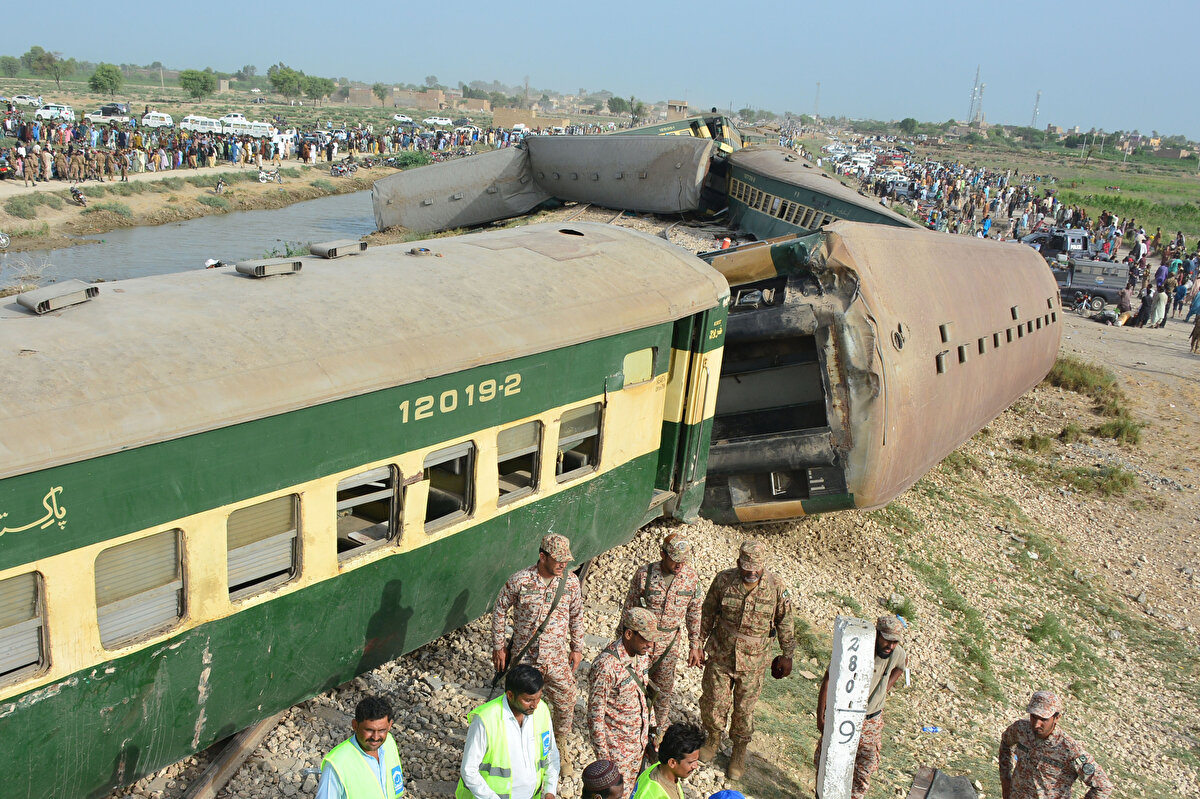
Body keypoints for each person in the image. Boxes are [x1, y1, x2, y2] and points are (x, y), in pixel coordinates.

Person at [697, 540, 795, 779]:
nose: (751, 572)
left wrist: (787, 654)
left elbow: (785, 621)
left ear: (763, 565)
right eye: (746, 566)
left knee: (744, 711)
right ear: (738, 563)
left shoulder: (776, 586)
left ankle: (738, 752)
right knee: (713, 702)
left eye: (756, 568)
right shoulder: (723, 580)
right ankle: (712, 739)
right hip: (721, 654)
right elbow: (707, 613)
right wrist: (697, 644)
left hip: (754, 662)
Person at [492, 534, 584, 777]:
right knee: (519, 703)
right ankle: (515, 746)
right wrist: (499, 646)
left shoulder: (571, 583)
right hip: (526, 658)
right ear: (542, 556)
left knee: (566, 698)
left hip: (555, 658)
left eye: (566, 560)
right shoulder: (520, 581)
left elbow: (576, 615)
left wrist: (577, 647)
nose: (563, 565)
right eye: (558, 560)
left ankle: (560, 744)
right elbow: (500, 608)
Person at [814, 616, 907, 799]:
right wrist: (821, 716)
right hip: (844, 717)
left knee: (864, 770)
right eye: (887, 640)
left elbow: (901, 666)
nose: (890, 646)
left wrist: (884, 689)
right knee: (828, 762)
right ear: (876, 635)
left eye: (895, 642)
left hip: (871, 721)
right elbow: (828, 679)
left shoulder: (896, 653)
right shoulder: (855, 650)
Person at [621, 533, 703, 731]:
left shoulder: (690, 578)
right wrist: (622, 643)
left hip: (670, 643)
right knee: (634, 681)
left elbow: (694, 612)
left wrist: (695, 645)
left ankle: (659, 725)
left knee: (664, 687)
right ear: (663, 554)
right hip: (643, 640)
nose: (679, 565)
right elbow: (629, 608)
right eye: (675, 560)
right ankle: (633, 720)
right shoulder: (645, 574)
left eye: (683, 561)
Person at [588, 607, 660, 799]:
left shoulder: (640, 656)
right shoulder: (606, 666)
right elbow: (595, 717)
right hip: (617, 752)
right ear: (629, 634)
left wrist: (652, 730)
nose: (650, 645)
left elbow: (645, 695)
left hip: (639, 743)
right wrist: (605, 762)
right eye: (646, 638)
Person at [458, 664, 560, 799]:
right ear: (510, 695)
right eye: (528, 700)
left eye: (538, 698)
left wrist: (550, 790)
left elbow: (551, 755)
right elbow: (469, 771)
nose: (535, 705)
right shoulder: (485, 720)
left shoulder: (542, 710)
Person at [998, 691, 1113, 799]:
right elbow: (1005, 744)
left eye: (1043, 719)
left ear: (1057, 718)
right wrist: (1006, 780)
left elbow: (1103, 786)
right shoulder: (1020, 730)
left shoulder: (1069, 749)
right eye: (1033, 716)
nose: (1037, 724)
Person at [316, 696, 405, 799]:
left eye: (381, 730)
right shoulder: (337, 765)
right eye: (369, 730)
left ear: (390, 725)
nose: (375, 737)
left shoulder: (389, 742)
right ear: (355, 725)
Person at [630, 723, 705, 799]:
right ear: (672, 762)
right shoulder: (652, 795)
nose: (695, 766)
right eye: (691, 762)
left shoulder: (663, 769)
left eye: (696, 760)